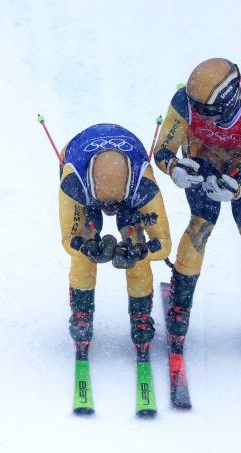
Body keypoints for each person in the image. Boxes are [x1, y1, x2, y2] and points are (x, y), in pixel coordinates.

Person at [153, 57, 241, 355]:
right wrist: (174, 167)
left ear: (230, 102)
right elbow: (163, 149)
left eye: (207, 112)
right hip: (202, 164)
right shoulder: (185, 102)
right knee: (200, 224)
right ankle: (181, 305)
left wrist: (240, 190)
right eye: (196, 109)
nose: (199, 116)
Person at [58, 123, 171, 361]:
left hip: (125, 191)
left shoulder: (144, 183)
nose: (109, 212)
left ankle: (140, 315)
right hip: (80, 168)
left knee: (134, 238)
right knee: (86, 244)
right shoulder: (73, 182)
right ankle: (82, 312)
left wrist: (139, 252)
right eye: (106, 207)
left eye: (114, 207)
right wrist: (85, 246)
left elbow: (163, 243)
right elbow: (68, 238)